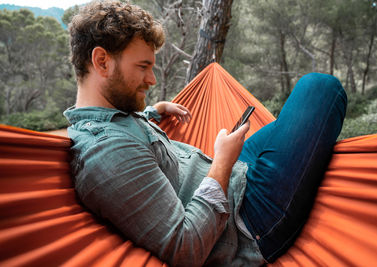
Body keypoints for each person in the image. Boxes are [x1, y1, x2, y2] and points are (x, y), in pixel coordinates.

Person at [64, 1, 347, 266]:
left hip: (232, 178)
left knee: (288, 125)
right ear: (102, 61)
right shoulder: (107, 153)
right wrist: (223, 163)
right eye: (143, 67)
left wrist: (154, 111)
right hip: (247, 223)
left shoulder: (111, 118)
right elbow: (186, 248)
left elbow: (127, 130)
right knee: (320, 88)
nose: (151, 79)